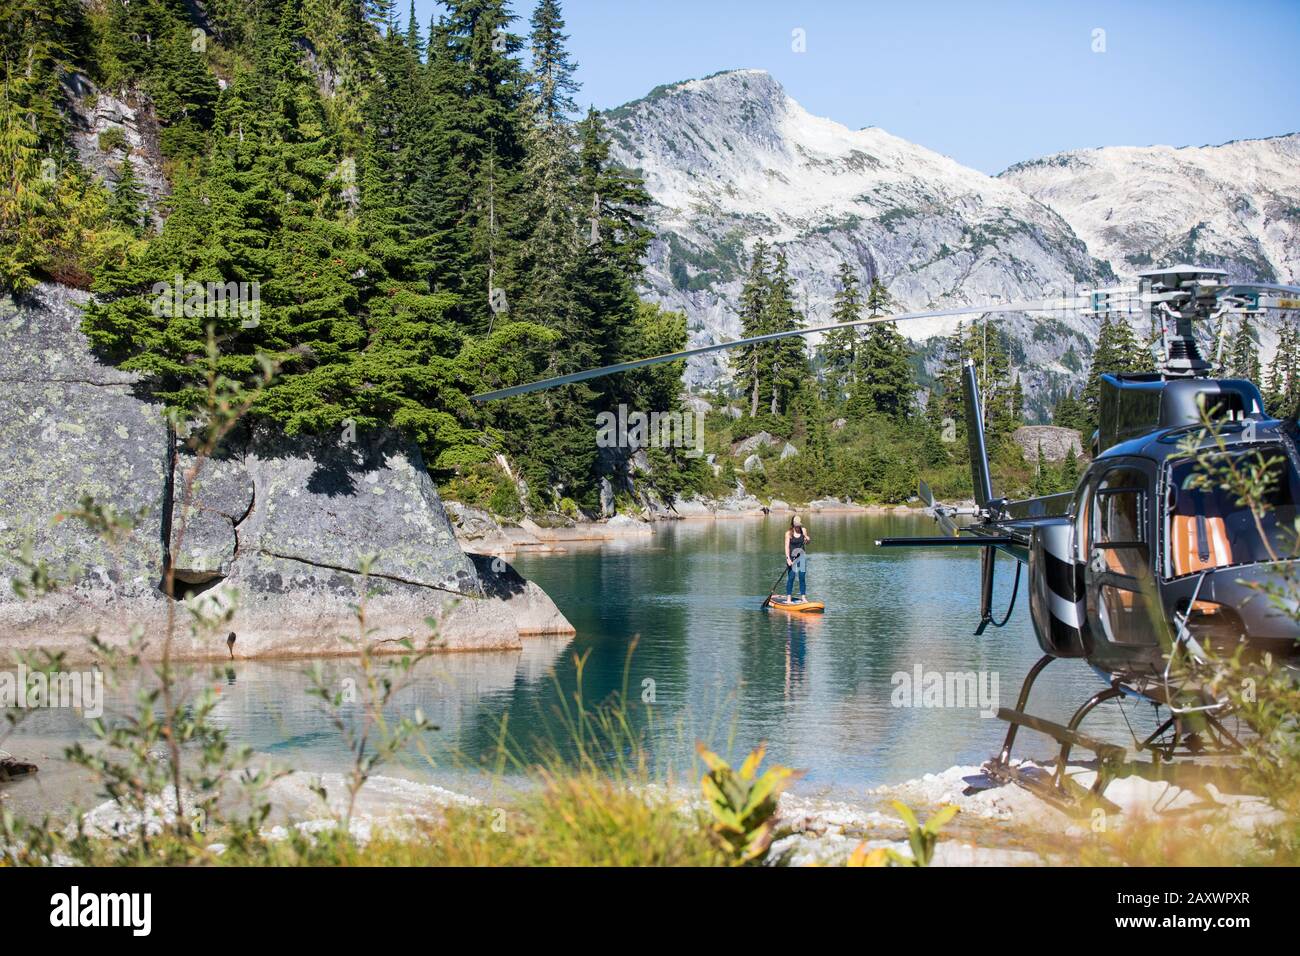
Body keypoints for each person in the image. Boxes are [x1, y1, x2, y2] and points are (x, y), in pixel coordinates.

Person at [783, 515, 810, 603]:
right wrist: (788, 559)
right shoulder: (788, 533)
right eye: (796, 525)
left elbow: (807, 541)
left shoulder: (803, 530)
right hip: (792, 557)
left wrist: (808, 539)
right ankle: (788, 598)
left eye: (799, 525)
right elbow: (786, 547)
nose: (798, 527)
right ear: (793, 524)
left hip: (801, 557)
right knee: (791, 577)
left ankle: (803, 597)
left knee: (802, 577)